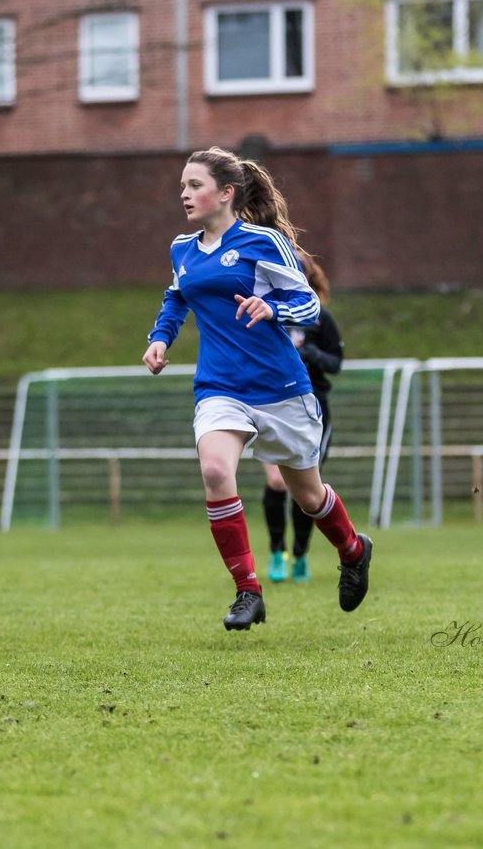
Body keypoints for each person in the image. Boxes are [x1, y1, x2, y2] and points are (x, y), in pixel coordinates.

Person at [143, 146, 373, 631]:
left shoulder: (263, 242)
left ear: (225, 193)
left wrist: (274, 310)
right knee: (214, 470)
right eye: (182, 186)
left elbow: (308, 305)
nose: (184, 194)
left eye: (194, 185)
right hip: (220, 387)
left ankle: (353, 549)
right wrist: (160, 339)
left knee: (309, 499)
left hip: (281, 387)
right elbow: (175, 298)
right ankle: (248, 591)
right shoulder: (181, 250)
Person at [261, 257, 344, 584]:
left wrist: (313, 356)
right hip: (271, 405)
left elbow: (336, 362)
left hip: (313, 409)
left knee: (306, 489)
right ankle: (277, 551)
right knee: (277, 481)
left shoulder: (319, 318)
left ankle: (300, 553)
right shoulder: (265, 311)